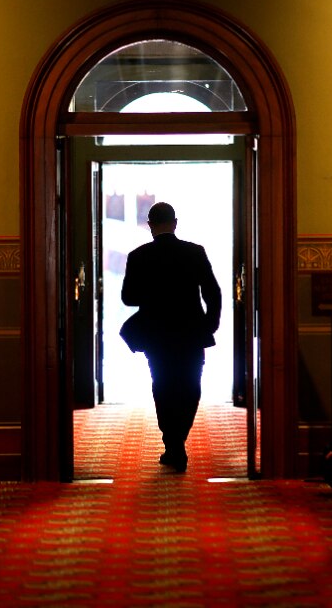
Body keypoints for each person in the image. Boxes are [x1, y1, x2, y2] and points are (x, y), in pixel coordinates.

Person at [120, 201, 222, 472]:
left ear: (150, 225)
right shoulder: (194, 252)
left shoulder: (139, 256)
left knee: (163, 384)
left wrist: (153, 295)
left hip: (157, 333)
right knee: (191, 385)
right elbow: (212, 292)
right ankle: (178, 439)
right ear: (175, 223)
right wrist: (210, 324)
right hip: (191, 332)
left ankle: (173, 443)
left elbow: (128, 297)